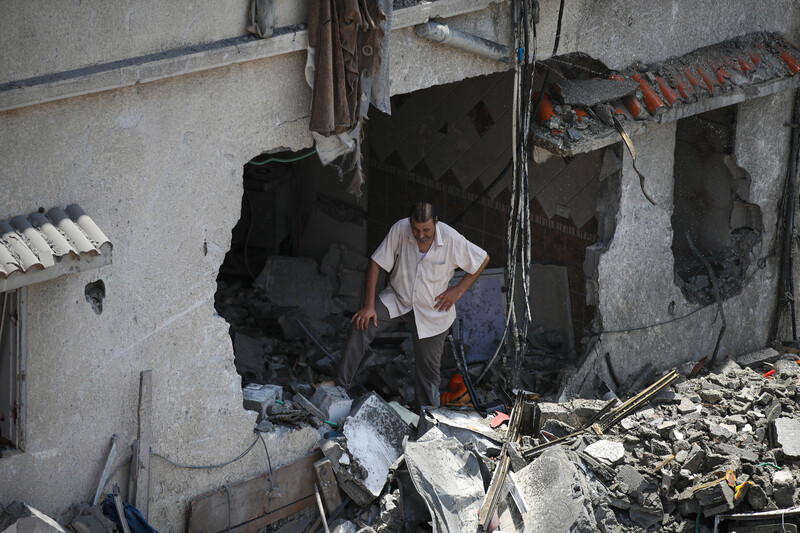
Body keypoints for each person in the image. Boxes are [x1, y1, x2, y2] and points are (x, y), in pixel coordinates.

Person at [333, 201, 489, 408]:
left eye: (426, 230)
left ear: (436, 222)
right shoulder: (400, 229)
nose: (420, 235)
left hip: (433, 310)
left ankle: (427, 414)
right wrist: (368, 305)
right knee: (361, 324)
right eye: (415, 229)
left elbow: (482, 259)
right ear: (409, 222)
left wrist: (458, 291)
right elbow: (376, 263)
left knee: (428, 373)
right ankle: (339, 387)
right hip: (398, 298)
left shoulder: (451, 238)